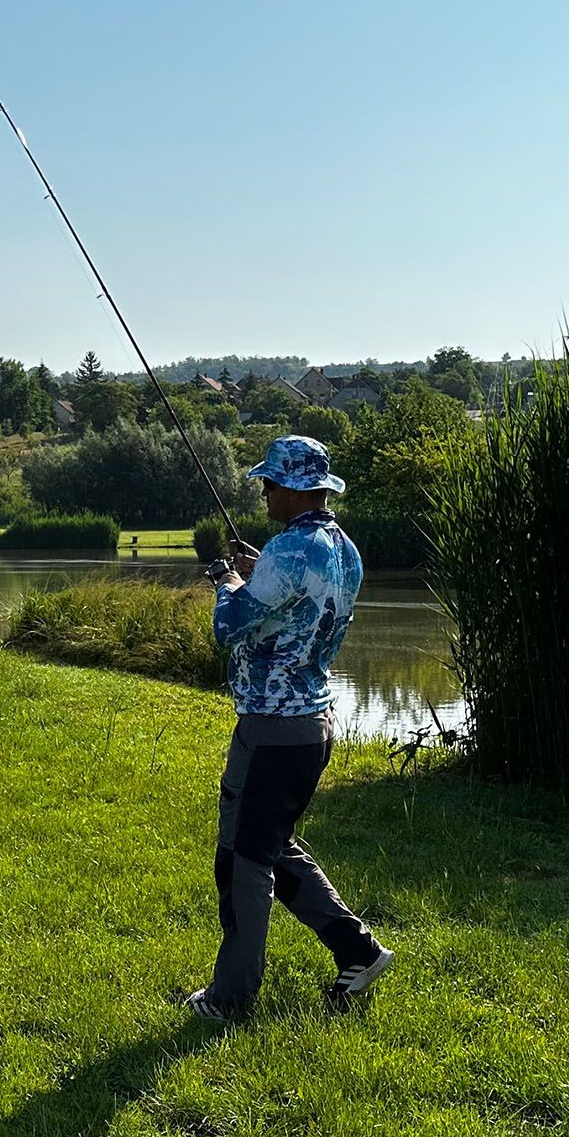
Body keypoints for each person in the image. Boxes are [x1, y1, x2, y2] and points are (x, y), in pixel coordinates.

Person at [187, 434, 392, 1020]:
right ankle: (358, 951)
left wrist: (228, 583)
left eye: (269, 483)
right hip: (313, 723)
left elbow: (229, 627)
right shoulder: (341, 547)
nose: (263, 491)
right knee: (272, 846)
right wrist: (259, 577)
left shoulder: (287, 551)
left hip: (272, 728)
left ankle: (230, 999)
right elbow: (297, 605)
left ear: (295, 489)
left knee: (243, 860)